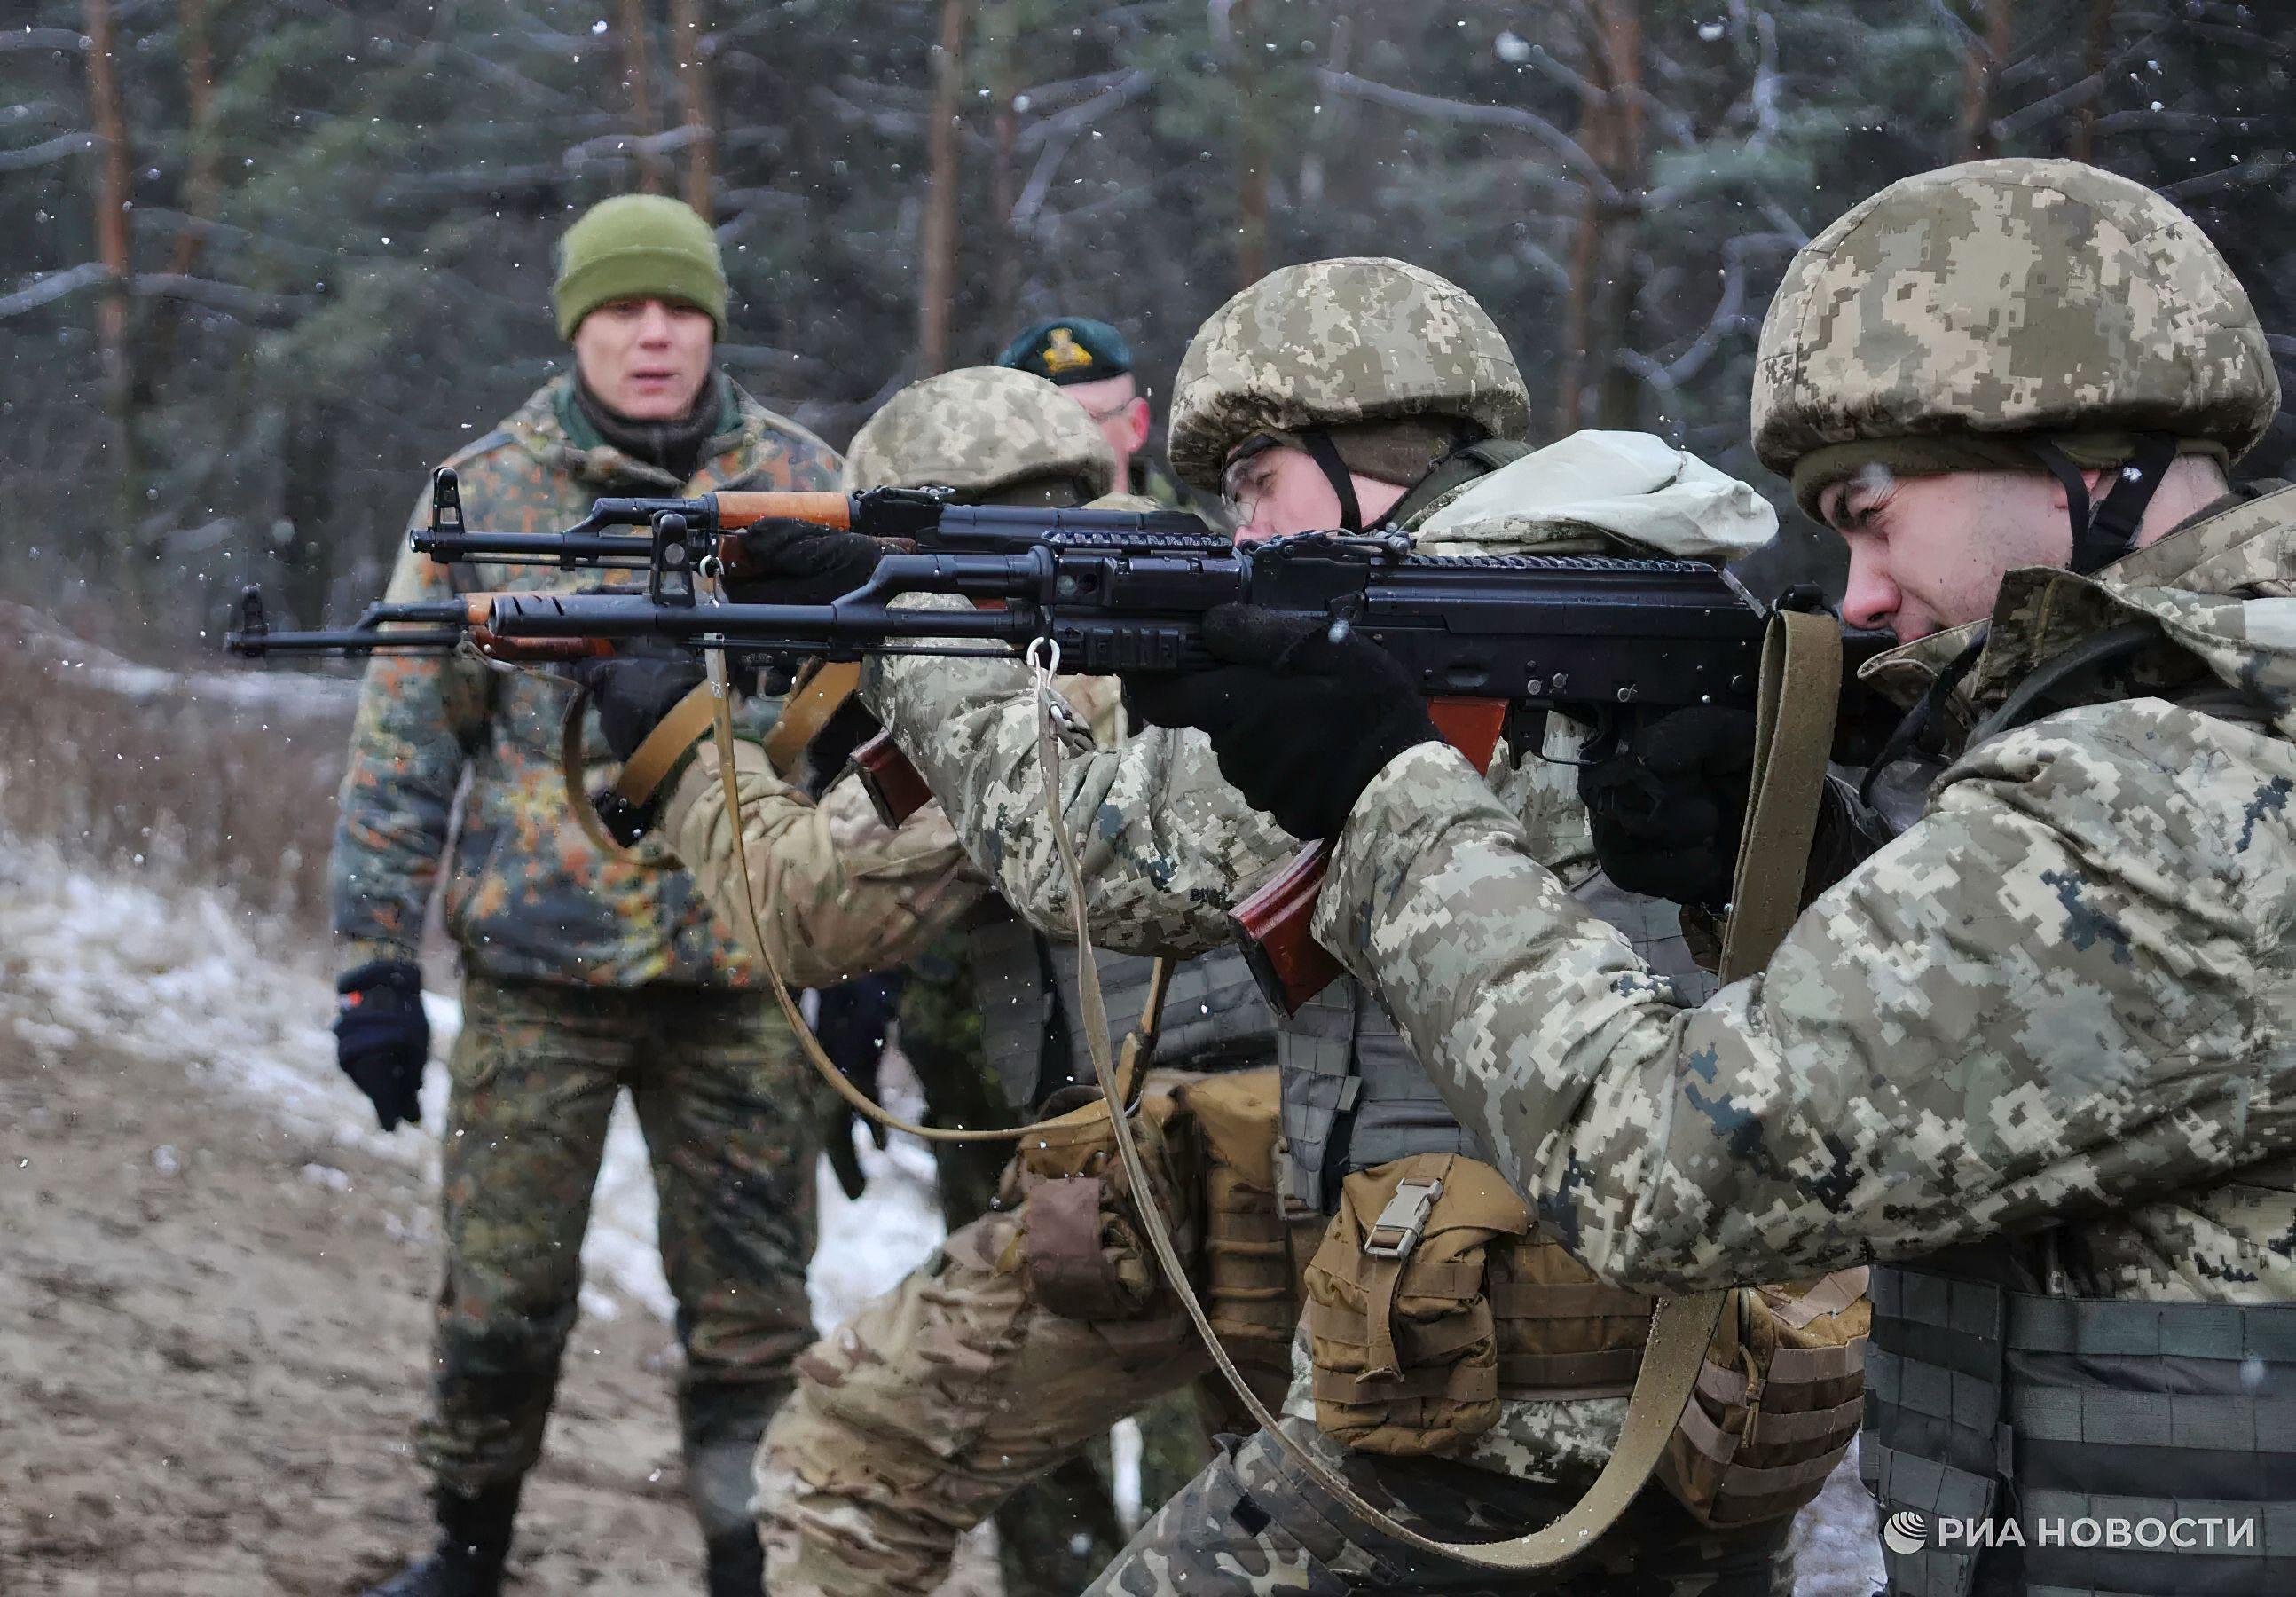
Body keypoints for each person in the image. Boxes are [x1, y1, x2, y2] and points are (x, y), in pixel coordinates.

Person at [1128, 161, 2296, 1597]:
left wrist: (1385, 806)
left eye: (1868, 511)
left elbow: (1663, 1175)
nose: (1859, 593)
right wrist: (1802, 856)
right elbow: (2045, 1072)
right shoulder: (2215, 736)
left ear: (2074, 452)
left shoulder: (2171, 791)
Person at [749, 258, 1852, 1592]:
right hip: (1675, 1390)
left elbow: (1086, 859)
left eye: (1253, 485)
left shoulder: (1432, 639)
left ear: (1346, 460)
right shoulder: (1622, 589)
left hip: (1487, 1402)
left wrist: (918, 623)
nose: (1240, 531)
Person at [578, 364, 1298, 1596]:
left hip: (1189, 1177)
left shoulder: (1029, 662)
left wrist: (685, 748)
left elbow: (810, 907)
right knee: (1284, 1512)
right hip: (1329, 1162)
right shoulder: (1202, 596)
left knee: (846, 1459)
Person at [329, 193, 842, 1597]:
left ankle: (756, 1560)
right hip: (535, 985)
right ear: (576, 328)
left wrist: (861, 965)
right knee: (499, 1305)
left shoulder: (801, 483)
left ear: (714, 324)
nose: (656, 335)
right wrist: (372, 966)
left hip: (742, 979)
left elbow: (871, 734)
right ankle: (467, 1548)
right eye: (623, 310)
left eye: (679, 308)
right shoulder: (485, 495)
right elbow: (399, 746)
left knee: (753, 1324)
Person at [997, 315, 1171, 499]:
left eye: (1083, 419)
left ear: (1136, 426)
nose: (1057, 439)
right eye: (1037, 422)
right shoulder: (981, 523)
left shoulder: (1182, 526)